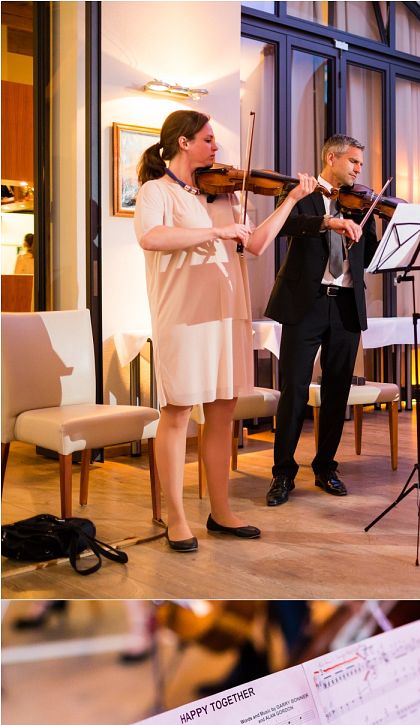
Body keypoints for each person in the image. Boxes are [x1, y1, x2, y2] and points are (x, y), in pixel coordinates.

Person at [133, 109, 318, 551]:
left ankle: (221, 510)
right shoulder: (155, 191)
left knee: (221, 413)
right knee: (177, 413)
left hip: (227, 313)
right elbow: (151, 237)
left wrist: (290, 201)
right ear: (183, 142)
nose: (216, 148)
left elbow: (253, 244)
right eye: (209, 139)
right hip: (183, 316)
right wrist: (217, 232)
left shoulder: (221, 195)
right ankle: (177, 518)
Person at [263, 134, 387, 507]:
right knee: (295, 390)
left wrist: (376, 228)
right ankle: (282, 474)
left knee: (337, 392)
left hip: (346, 305)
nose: (357, 170)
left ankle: (325, 467)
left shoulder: (359, 203)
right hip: (307, 303)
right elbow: (286, 228)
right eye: (353, 162)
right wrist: (329, 224)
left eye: (360, 165)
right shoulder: (300, 194)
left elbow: (370, 260)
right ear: (331, 158)